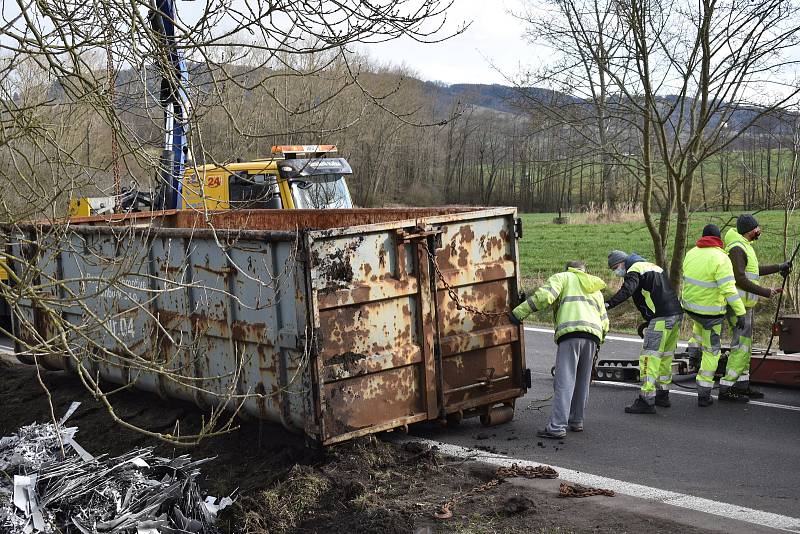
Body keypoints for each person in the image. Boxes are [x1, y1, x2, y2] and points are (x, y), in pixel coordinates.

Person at [509, 260, 608, 438]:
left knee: (564, 381)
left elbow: (543, 297)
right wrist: (600, 341)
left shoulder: (563, 278)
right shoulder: (595, 288)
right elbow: (605, 321)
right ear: (584, 271)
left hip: (571, 334)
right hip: (593, 336)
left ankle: (557, 428)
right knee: (582, 382)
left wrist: (518, 313)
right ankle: (577, 421)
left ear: (569, 269)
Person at [719, 214, 791, 402]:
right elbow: (740, 279)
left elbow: (754, 270)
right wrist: (765, 291)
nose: (759, 231)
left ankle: (742, 385)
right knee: (740, 346)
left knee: (746, 347)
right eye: (757, 228)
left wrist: (779, 266)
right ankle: (727, 387)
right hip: (738, 306)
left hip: (746, 306)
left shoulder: (744, 246)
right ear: (749, 230)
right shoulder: (736, 248)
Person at [606, 250, 683, 414]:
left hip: (661, 318)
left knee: (650, 357)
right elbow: (658, 293)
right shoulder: (653, 266)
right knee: (666, 357)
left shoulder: (634, 269)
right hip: (675, 315)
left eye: (615, 268)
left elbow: (627, 291)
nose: (616, 272)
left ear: (622, 263)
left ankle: (646, 400)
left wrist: (607, 305)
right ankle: (662, 395)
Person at [681, 224, 746, 407]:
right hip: (710, 314)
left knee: (698, 332)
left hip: (691, 308)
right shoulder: (721, 258)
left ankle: (693, 354)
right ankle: (704, 393)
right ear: (719, 240)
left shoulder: (691, 252)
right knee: (712, 351)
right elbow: (729, 290)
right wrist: (740, 312)